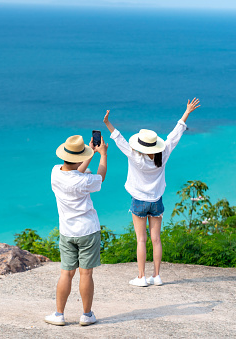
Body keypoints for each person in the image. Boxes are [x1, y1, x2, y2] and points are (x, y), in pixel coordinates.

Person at [103, 98, 200, 287]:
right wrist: (187, 112)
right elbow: (174, 135)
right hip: (156, 201)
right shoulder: (163, 155)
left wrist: (107, 122)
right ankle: (156, 276)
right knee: (156, 239)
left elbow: (119, 139)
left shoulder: (134, 156)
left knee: (141, 239)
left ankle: (141, 277)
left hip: (138, 201)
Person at [45, 134, 108, 326]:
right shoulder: (84, 182)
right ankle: (86, 315)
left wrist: (86, 155)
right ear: (80, 157)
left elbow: (75, 170)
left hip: (67, 232)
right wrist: (102, 155)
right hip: (88, 230)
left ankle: (59, 314)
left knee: (66, 273)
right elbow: (100, 177)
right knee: (86, 274)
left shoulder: (55, 172)